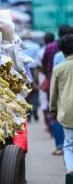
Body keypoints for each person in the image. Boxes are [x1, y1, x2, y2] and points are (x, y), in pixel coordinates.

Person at [41, 25, 71, 155]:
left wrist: (52, 108)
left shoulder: (54, 53)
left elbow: (48, 69)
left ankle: (60, 146)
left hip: (61, 92)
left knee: (59, 119)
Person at [49, 34, 73, 177]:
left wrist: (53, 109)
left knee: (69, 145)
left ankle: (71, 171)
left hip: (67, 113)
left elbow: (54, 93)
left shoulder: (59, 68)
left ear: (62, 52)